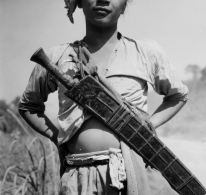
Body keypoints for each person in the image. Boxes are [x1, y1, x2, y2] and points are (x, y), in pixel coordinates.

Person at [18, 0, 189, 194]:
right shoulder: (58, 57)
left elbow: (178, 95)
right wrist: (58, 136)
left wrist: (149, 122)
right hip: (78, 176)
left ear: (125, 5)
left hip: (132, 173)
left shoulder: (145, 52)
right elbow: (28, 107)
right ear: (79, 3)